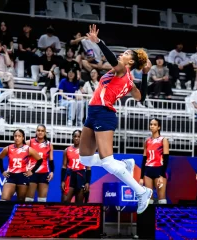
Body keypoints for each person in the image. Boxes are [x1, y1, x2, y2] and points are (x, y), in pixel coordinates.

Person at [78, 25, 152, 214]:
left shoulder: (121, 71)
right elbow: (141, 97)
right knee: (85, 159)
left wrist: (99, 42)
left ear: (131, 62)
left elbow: (111, 59)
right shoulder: (129, 82)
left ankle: (141, 191)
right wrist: (144, 75)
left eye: (126, 53)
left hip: (105, 114)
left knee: (108, 162)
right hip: (93, 112)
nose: (122, 54)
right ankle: (124, 164)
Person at [0, 129, 43, 201]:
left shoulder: (28, 149)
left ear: (23, 138)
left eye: (19, 136)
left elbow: (40, 160)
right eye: (15, 136)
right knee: (4, 199)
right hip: (11, 176)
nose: (17, 138)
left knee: (21, 201)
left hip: (23, 176)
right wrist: (2, 171)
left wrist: (32, 171)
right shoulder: (8, 148)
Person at [139, 118, 169, 204]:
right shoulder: (147, 141)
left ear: (159, 127)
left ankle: (162, 217)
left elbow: (166, 159)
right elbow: (144, 159)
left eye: (155, 124)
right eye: (151, 124)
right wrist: (141, 177)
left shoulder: (163, 140)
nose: (152, 126)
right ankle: (149, 217)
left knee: (162, 199)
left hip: (159, 170)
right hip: (148, 170)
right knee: (149, 199)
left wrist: (162, 175)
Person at [25, 125, 54, 202]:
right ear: (36, 132)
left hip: (44, 173)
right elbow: (22, 157)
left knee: (42, 200)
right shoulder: (29, 142)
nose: (40, 132)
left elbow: (51, 160)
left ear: (45, 132)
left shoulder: (49, 144)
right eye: (38, 130)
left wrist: (52, 172)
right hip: (32, 172)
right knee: (28, 199)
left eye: (42, 131)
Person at [61, 130, 91, 203]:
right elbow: (64, 166)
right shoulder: (67, 150)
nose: (77, 138)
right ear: (72, 138)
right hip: (70, 176)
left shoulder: (86, 151)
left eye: (79, 137)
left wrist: (87, 182)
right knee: (65, 200)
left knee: (79, 203)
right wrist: (62, 181)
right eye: (75, 136)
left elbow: (88, 168)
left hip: (81, 176)